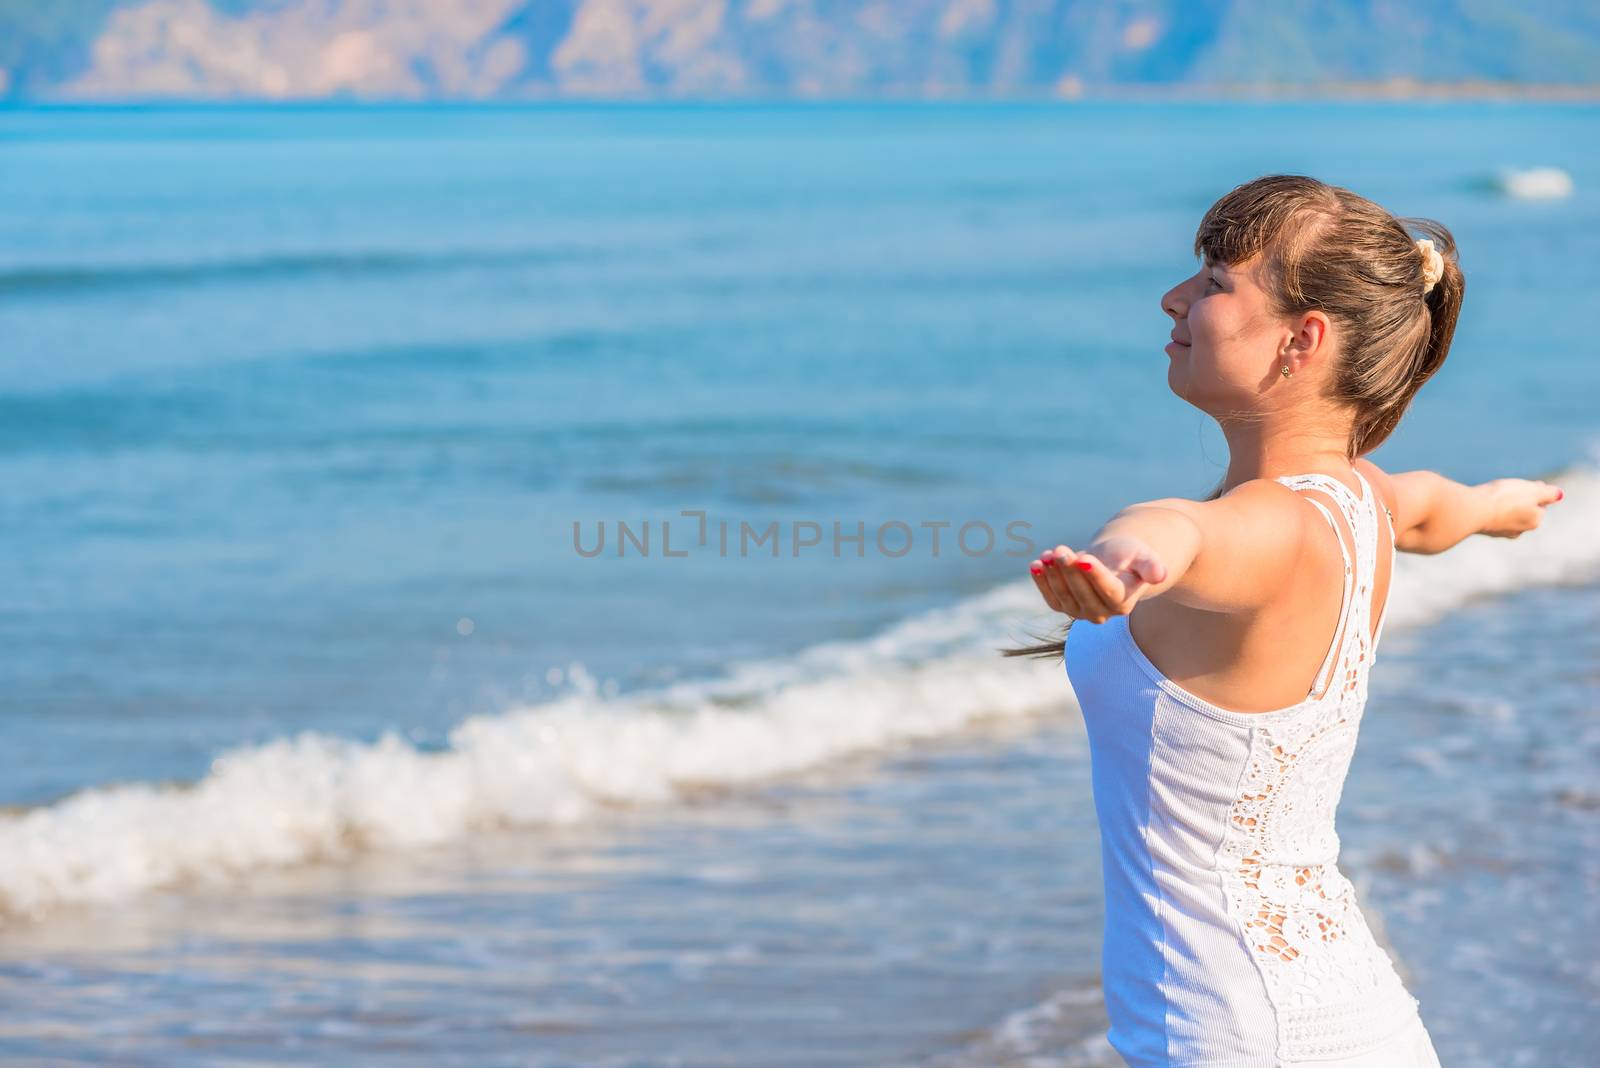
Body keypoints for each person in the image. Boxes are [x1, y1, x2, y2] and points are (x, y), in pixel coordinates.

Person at [1004, 174, 1564, 1066]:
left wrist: (1123, 559)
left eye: (1217, 283)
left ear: (1303, 341)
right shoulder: (1361, 501)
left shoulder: (1269, 526)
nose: (1175, 298)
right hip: (1342, 1016)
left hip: (1243, 1035)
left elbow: (1184, 528)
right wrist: (1501, 503)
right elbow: (1436, 508)